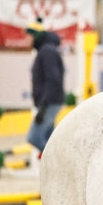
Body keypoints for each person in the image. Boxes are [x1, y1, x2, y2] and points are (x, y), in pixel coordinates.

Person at [25, 18, 65, 158]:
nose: (27, 40)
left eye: (29, 36)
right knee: (50, 141)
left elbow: (53, 79)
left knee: (34, 137)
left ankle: (59, 161)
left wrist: (43, 106)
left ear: (36, 36)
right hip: (50, 101)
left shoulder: (47, 51)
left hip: (49, 102)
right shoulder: (47, 50)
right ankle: (57, 163)